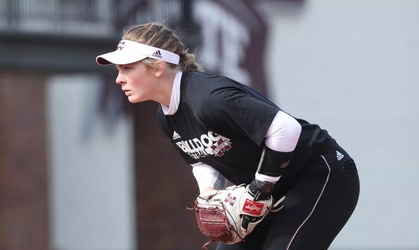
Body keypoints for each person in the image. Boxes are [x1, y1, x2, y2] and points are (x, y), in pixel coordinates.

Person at [96, 21, 360, 250]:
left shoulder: (208, 98)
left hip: (320, 175)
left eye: (127, 68)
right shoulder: (165, 117)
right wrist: (208, 193)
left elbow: (286, 128)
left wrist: (260, 188)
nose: (119, 79)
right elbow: (201, 160)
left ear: (158, 67)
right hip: (266, 193)